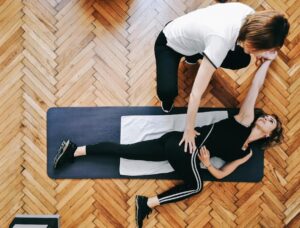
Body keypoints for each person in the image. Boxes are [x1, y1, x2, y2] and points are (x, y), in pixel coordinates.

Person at [53, 53, 283, 228]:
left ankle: (74, 151)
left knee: (127, 151)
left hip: (180, 148)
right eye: (268, 117)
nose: (267, 118)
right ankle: (147, 203)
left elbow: (223, 174)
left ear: (268, 135)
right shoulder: (244, 120)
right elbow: (256, 86)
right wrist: (267, 62)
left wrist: (209, 163)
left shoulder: (247, 153)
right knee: (196, 186)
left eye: (271, 122)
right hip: (187, 146)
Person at [155, 2, 289, 154]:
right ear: (252, 43)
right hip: (170, 42)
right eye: (262, 50)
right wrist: (189, 130)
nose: (259, 55)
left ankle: (194, 55)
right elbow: (195, 94)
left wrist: (264, 53)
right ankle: (168, 95)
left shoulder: (249, 14)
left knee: (242, 59)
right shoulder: (220, 41)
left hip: (199, 41)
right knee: (167, 91)